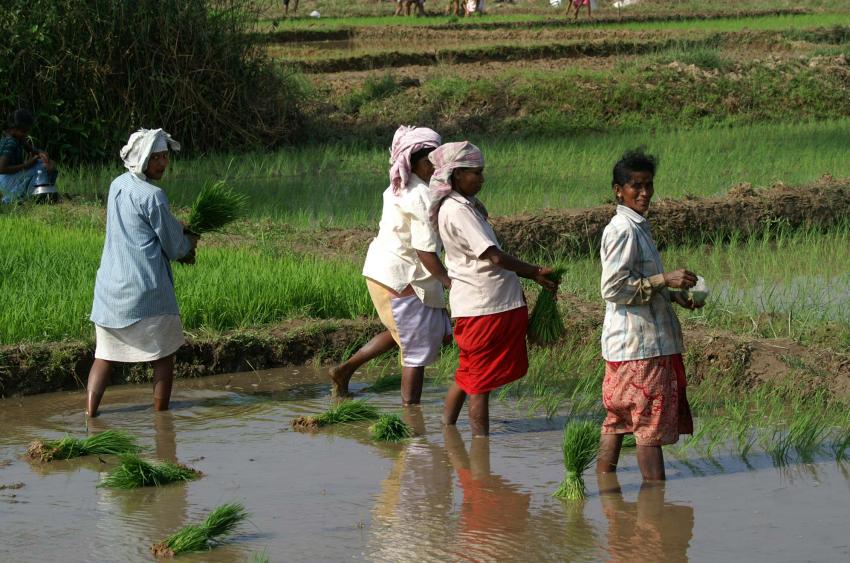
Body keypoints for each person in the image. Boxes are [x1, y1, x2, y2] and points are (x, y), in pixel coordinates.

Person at [434, 141, 557, 436]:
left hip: (483, 303)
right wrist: (535, 272)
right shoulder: (457, 210)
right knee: (479, 384)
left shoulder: (464, 206)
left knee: (469, 374)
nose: (481, 179)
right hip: (483, 306)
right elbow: (495, 256)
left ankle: (448, 433)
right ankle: (480, 451)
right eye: (475, 173)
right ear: (455, 175)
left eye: (481, 172)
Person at [596, 149, 700, 481]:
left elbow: (638, 284)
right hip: (640, 348)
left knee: (618, 421)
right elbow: (613, 288)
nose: (644, 193)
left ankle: (606, 493)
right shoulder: (624, 229)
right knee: (648, 426)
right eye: (635, 186)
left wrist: (672, 294)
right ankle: (656, 506)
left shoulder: (636, 226)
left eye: (648, 185)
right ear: (618, 190)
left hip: (628, 346)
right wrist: (663, 279)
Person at [331, 125, 451, 405]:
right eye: (436, 162)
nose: (440, 168)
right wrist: (448, 280)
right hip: (403, 278)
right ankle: (412, 417)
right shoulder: (421, 195)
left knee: (406, 334)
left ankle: (344, 370)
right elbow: (424, 250)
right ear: (421, 163)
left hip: (383, 272)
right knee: (416, 352)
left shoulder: (398, 185)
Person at [85, 128, 198, 417]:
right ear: (142, 159)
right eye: (156, 157)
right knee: (163, 357)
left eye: (164, 157)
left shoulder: (117, 185)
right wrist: (190, 241)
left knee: (104, 357)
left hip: (110, 290)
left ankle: (90, 416)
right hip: (146, 291)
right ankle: (162, 421)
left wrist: (177, 227)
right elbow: (174, 248)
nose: (163, 163)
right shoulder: (154, 195)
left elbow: (142, 227)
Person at [0, 109, 58, 204]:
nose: (26, 134)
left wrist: (42, 154)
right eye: (23, 131)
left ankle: (42, 192)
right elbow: (1, 169)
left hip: (11, 178)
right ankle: (39, 194)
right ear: (13, 129)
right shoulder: (10, 142)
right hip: (4, 181)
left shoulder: (18, 139)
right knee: (41, 166)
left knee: (48, 163)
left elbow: (33, 150)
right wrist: (27, 165)